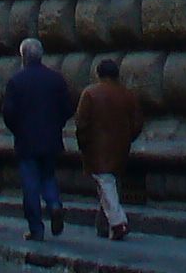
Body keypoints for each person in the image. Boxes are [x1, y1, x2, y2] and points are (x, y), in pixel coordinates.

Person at [2, 37, 77, 240]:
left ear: (23, 56)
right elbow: (68, 109)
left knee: (31, 185)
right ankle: (54, 205)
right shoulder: (56, 79)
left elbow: (8, 113)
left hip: (26, 141)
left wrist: (18, 129)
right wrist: (56, 125)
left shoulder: (16, 81)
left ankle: (36, 228)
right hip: (51, 139)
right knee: (48, 177)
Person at [74, 56, 145, 241]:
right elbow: (137, 123)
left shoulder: (90, 93)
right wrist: (127, 139)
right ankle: (105, 226)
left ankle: (118, 222)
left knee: (105, 185)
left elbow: (81, 123)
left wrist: (83, 144)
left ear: (98, 74)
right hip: (120, 147)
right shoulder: (128, 95)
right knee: (110, 184)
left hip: (96, 148)